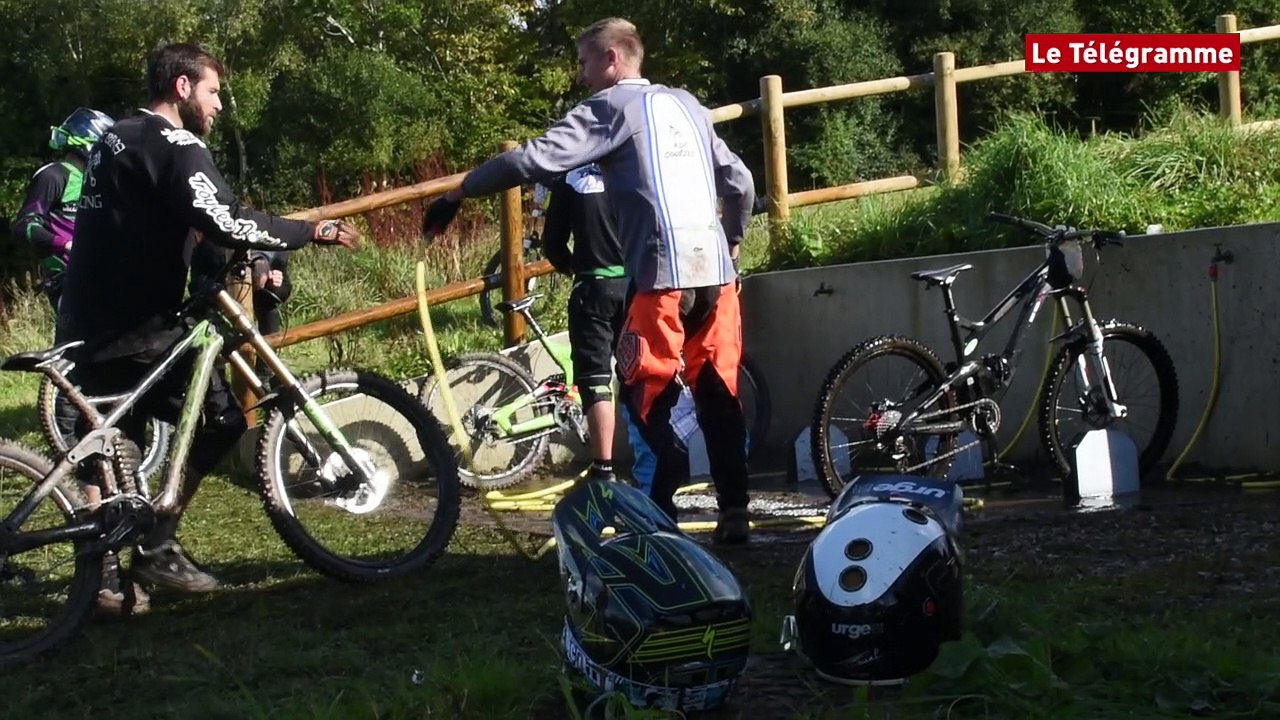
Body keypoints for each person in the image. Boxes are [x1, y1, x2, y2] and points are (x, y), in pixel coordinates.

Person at [423, 17, 756, 544]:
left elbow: (530, 159)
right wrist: (733, 239)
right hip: (715, 272)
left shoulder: (609, 107)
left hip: (658, 272)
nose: (580, 76)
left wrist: (457, 193)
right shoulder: (688, 104)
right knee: (718, 388)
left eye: (583, 62)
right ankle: (735, 513)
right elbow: (738, 180)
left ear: (611, 59)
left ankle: (660, 522)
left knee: (652, 395)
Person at [57, 42, 359, 610]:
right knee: (222, 421)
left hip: (83, 318)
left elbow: (146, 221)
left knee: (107, 442)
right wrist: (308, 232)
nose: (219, 105)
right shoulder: (176, 144)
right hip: (139, 327)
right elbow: (223, 217)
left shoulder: (112, 138)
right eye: (214, 91)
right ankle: (159, 543)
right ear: (182, 89)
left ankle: (100, 581)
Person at [539, 164, 629, 483]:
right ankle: (658, 459)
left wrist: (572, 266)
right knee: (644, 374)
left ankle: (603, 469)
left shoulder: (571, 179)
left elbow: (552, 243)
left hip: (592, 286)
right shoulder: (634, 165)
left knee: (595, 378)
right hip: (638, 288)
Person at [10, 107, 116, 310]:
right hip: (66, 278)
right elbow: (24, 224)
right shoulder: (54, 175)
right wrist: (65, 244)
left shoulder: (98, 180)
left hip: (100, 274)